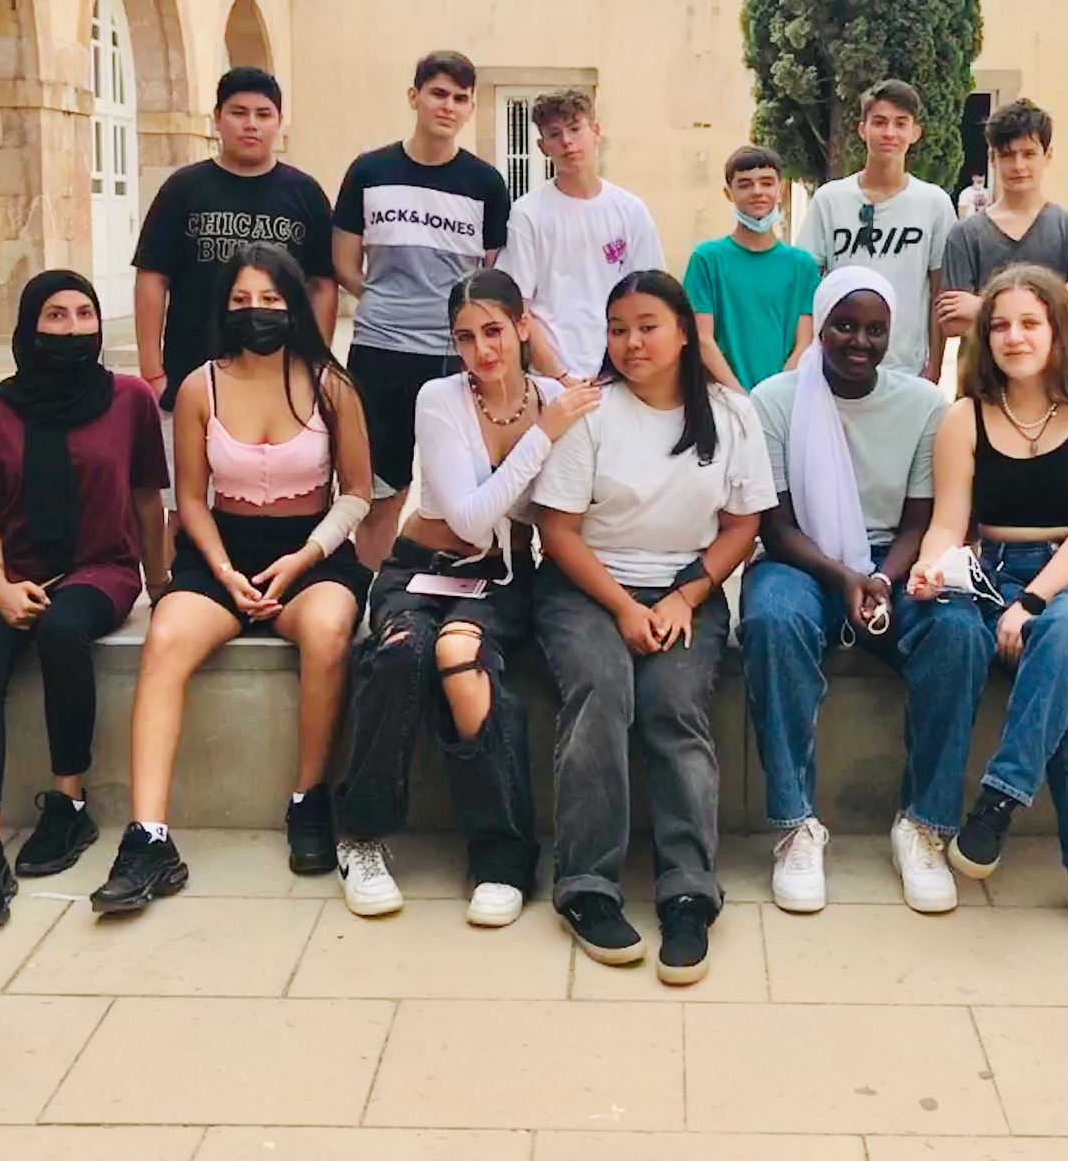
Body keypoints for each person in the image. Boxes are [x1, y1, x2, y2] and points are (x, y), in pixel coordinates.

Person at [90, 244, 373, 913]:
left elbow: (358, 492)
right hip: (220, 550)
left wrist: (304, 558)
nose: (256, 312)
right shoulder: (201, 386)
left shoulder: (331, 385)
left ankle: (309, 799)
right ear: (223, 308)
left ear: (293, 306)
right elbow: (190, 498)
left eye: (270, 300)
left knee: (328, 630)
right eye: (242, 300)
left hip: (310, 553)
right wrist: (221, 569)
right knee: (165, 640)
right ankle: (148, 836)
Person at [532, 270, 776, 985]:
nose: (631, 342)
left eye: (647, 326)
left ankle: (688, 892)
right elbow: (558, 531)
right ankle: (586, 887)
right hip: (588, 586)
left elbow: (743, 525)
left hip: (685, 586)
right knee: (602, 689)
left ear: (683, 333)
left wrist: (686, 597)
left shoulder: (730, 414)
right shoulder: (591, 412)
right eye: (618, 330)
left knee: (674, 702)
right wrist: (623, 607)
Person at [908, 265, 1068, 950]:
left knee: (1067, 631)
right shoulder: (964, 417)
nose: (1013, 337)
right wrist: (932, 567)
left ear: (1058, 330)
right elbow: (949, 521)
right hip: (993, 572)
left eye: (1030, 322)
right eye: (999, 325)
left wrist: (1034, 600)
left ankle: (999, 798)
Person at [336, 269, 601, 924]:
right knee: (401, 650)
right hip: (417, 569)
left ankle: (503, 857)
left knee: (461, 655)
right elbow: (471, 519)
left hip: (502, 581)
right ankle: (361, 837)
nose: (482, 350)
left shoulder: (555, 398)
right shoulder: (440, 398)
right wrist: (543, 435)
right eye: (465, 337)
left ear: (522, 327)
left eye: (494, 331)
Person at [738, 268, 985, 916]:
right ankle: (795, 824)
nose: (859, 341)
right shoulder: (774, 400)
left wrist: (880, 579)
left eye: (876, 329)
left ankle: (923, 825)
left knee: (960, 631)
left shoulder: (923, 404)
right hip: (802, 559)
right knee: (771, 619)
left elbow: (920, 521)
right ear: (820, 327)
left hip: (891, 565)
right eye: (845, 325)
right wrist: (844, 577)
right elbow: (775, 525)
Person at [0, 270, 169, 933]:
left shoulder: (128, 399)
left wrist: (160, 583)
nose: (72, 329)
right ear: (29, 326)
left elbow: (147, 499)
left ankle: (68, 805)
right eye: (55, 315)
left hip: (99, 568)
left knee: (62, 632)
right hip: (7, 568)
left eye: (84, 314)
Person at [333, 51, 511, 567]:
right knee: (380, 487)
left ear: (470, 108)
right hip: (381, 350)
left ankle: (462, 588)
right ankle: (370, 589)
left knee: (465, 484)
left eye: (460, 98)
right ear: (414, 97)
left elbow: (489, 274)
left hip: (457, 356)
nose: (448, 106)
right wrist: (386, 300)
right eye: (438, 93)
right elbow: (343, 261)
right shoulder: (369, 171)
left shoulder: (485, 183)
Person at [133, 66, 337, 413]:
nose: (250, 124)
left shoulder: (306, 194)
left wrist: (314, 363)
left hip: (281, 378)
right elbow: (152, 277)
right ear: (217, 118)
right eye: (238, 113)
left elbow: (322, 285)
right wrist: (152, 372)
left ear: (279, 121)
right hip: (193, 376)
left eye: (263, 114)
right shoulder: (183, 189)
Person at [496, 89, 664, 382]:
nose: (567, 141)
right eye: (554, 134)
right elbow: (518, 307)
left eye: (575, 129)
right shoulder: (527, 213)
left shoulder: (631, 210)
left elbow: (652, 298)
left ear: (596, 131)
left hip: (620, 375)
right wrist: (561, 377)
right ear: (542, 146)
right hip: (550, 379)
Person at [794, 80, 957, 381]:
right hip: (837, 364)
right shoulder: (830, 199)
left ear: (915, 133)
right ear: (862, 129)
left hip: (905, 368)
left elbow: (939, 291)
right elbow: (806, 282)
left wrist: (934, 365)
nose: (889, 133)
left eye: (900, 123)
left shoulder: (934, 204)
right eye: (879, 122)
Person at [937, 99, 1068, 339]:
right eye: (1007, 155)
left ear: (1047, 156)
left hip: (1060, 364)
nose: (1018, 166)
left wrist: (981, 306)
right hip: (984, 364)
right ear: (992, 159)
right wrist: (1059, 299)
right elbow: (954, 323)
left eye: (1029, 154)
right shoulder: (964, 234)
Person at [683, 145, 819, 393]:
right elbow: (703, 339)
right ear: (728, 193)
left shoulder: (802, 266)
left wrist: (772, 398)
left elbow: (804, 345)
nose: (757, 192)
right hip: (723, 399)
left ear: (780, 189)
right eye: (745, 184)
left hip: (784, 400)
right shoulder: (707, 260)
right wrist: (741, 398)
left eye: (766, 183)